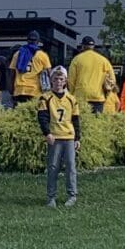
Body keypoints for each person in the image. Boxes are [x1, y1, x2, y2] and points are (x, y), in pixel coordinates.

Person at [38, 65, 81, 207]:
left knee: (70, 166)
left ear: (65, 81)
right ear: (51, 80)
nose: (58, 81)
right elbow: (42, 117)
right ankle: (51, 196)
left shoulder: (71, 99)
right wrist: (47, 133)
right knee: (53, 167)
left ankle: (72, 195)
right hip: (54, 137)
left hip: (68, 136)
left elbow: (76, 119)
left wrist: (77, 138)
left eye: (61, 79)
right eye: (55, 79)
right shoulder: (46, 98)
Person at [67, 37, 116, 114]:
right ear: (93, 46)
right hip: (98, 96)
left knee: (82, 119)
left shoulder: (77, 59)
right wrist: (107, 93)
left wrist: (72, 94)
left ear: (83, 46)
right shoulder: (104, 60)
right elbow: (112, 80)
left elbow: (71, 80)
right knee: (96, 120)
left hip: (81, 95)